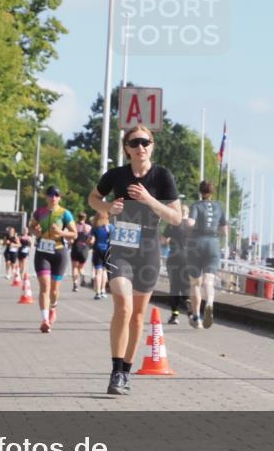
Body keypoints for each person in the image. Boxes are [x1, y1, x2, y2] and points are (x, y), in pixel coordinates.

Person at [88, 124, 180, 396]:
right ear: (126, 148)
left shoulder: (162, 176)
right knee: (123, 308)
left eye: (146, 142)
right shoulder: (116, 175)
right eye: (135, 142)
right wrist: (107, 207)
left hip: (149, 250)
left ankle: (126, 371)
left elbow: (175, 217)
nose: (141, 147)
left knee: (138, 315)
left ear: (152, 145)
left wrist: (150, 199)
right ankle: (116, 371)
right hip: (122, 248)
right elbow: (93, 197)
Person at [29, 186, 77, 333]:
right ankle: (45, 320)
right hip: (42, 252)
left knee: (54, 290)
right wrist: (35, 231)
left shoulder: (64, 213)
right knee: (45, 286)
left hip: (58, 252)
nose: (53, 198)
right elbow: (31, 227)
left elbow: (74, 234)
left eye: (56, 195)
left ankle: (53, 306)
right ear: (46, 197)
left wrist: (61, 232)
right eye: (51, 195)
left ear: (60, 198)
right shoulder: (40, 212)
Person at [185, 180, 228, 329]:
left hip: (196, 244)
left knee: (195, 283)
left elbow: (190, 222)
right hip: (213, 245)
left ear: (200, 191)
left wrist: (185, 222)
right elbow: (225, 231)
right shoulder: (219, 207)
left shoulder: (196, 206)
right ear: (212, 192)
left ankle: (197, 317)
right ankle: (209, 303)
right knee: (208, 282)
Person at [162, 204, 192, 325]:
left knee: (174, 287)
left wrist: (169, 240)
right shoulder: (192, 225)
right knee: (185, 286)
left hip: (174, 257)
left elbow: (162, 240)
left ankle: (174, 316)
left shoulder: (172, 224)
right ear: (188, 213)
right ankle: (190, 310)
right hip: (188, 258)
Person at [90, 211, 113, 300]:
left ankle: (98, 292)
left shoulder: (95, 228)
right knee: (104, 271)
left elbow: (91, 239)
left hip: (97, 250)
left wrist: (91, 242)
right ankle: (103, 290)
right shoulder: (110, 227)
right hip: (107, 251)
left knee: (98, 272)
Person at [70, 212, 93, 292]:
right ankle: (82, 276)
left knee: (74, 267)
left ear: (77, 217)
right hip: (84, 248)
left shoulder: (74, 226)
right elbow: (91, 239)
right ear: (85, 218)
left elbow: (71, 239)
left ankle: (75, 284)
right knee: (81, 267)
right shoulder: (88, 227)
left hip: (76, 247)